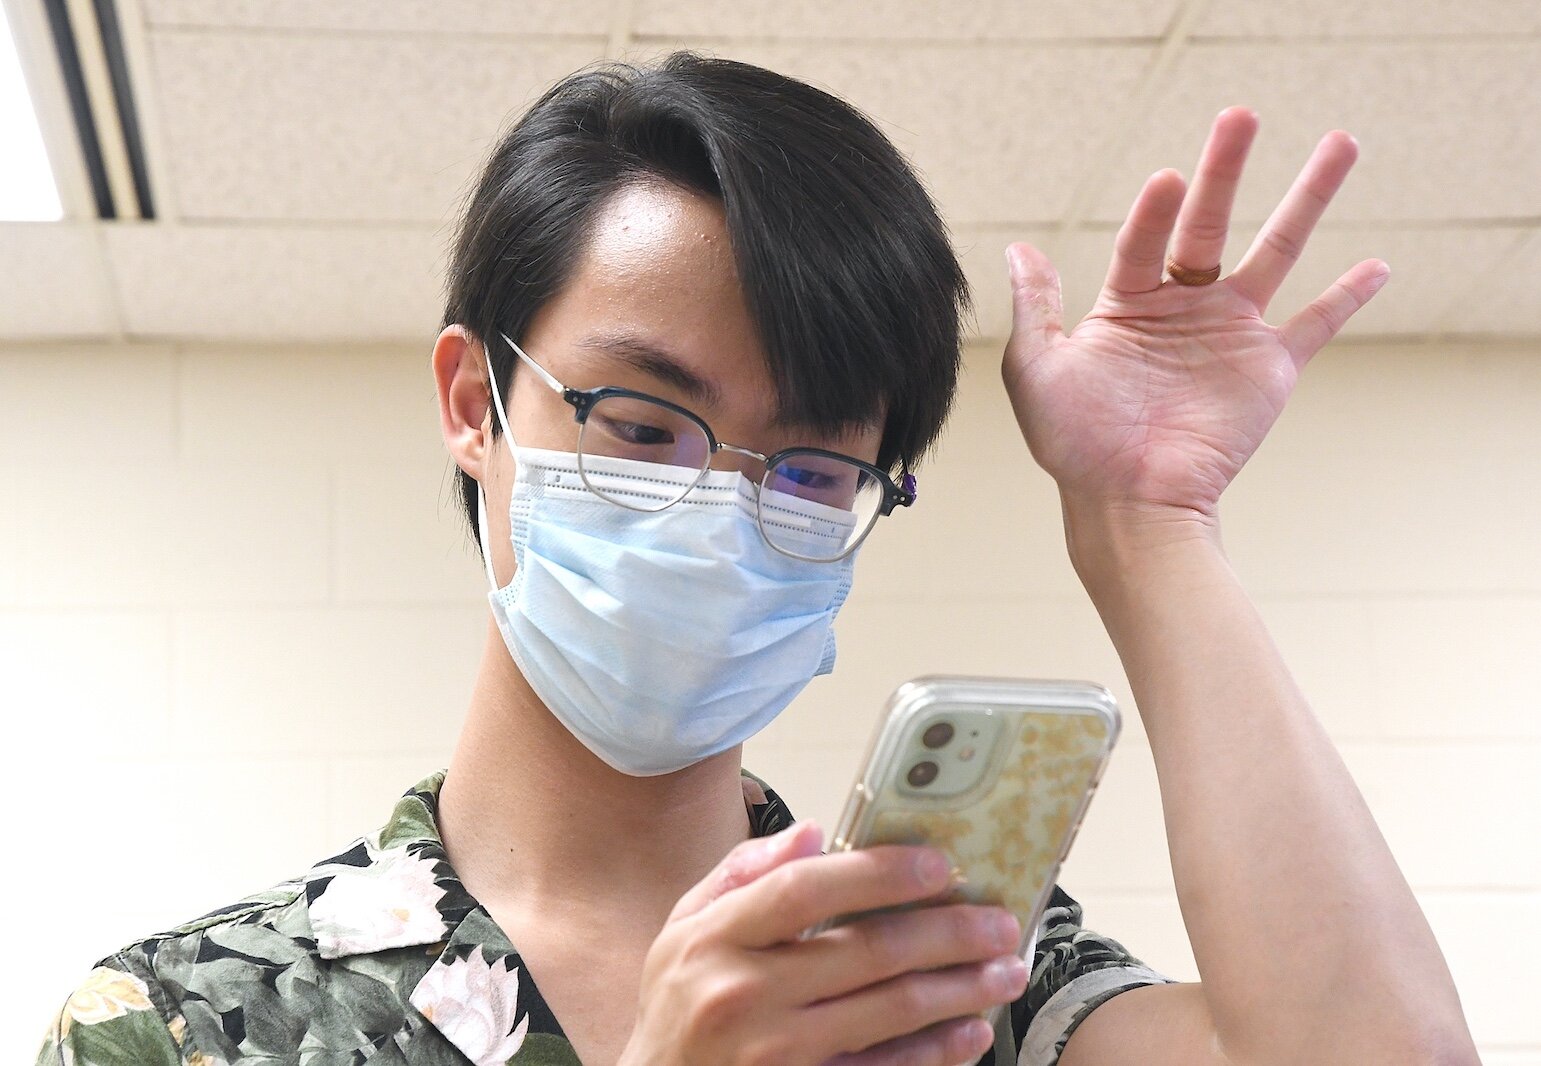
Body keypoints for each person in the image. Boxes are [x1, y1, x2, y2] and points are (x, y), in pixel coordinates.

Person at [38, 53, 1477, 1066]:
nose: (720, 509)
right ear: (477, 405)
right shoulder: (182, 1020)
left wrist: (1148, 521)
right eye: (648, 423)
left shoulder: (936, 976)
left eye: (804, 466)